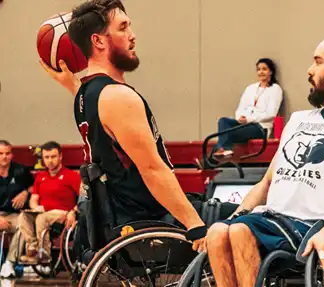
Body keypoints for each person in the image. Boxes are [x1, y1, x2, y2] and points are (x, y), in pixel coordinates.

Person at [206, 36, 324, 287]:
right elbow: (266, 184)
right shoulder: (297, 120)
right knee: (218, 232)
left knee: (241, 232)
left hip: (311, 227)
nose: (310, 70)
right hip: (270, 220)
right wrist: (236, 216)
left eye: (318, 62)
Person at [38, 0, 207, 249]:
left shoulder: (85, 96)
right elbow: (151, 169)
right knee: (249, 224)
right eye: (123, 27)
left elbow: (96, 104)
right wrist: (195, 226)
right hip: (152, 217)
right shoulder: (118, 97)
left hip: (119, 215)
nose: (132, 35)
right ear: (98, 41)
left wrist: (70, 83)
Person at [19, 141, 80, 264]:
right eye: (46, 157)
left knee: (42, 218)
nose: (50, 160)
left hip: (63, 214)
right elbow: (33, 200)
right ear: (43, 158)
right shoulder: (40, 177)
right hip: (44, 212)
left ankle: (44, 253)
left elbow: (83, 198)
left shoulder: (71, 175)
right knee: (24, 216)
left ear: (60, 156)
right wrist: (36, 207)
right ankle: (32, 249)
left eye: (53, 156)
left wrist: (73, 212)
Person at [214, 58, 283, 158]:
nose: (261, 72)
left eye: (264, 69)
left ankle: (216, 156)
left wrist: (249, 119)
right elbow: (241, 107)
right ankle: (225, 151)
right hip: (244, 124)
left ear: (271, 72)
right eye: (258, 69)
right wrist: (239, 117)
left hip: (260, 127)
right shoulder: (250, 88)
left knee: (225, 134)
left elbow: (271, 114)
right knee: (223, 121)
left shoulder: (275, 89)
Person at [0, 140, 33, 277]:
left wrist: (26, 193)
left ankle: (9, 263)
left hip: (14, 215)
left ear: (12, 154)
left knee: (23, 224)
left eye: (7, 153)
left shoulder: (21, 170)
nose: (4, 157)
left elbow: (34, 186)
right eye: (1, 153)